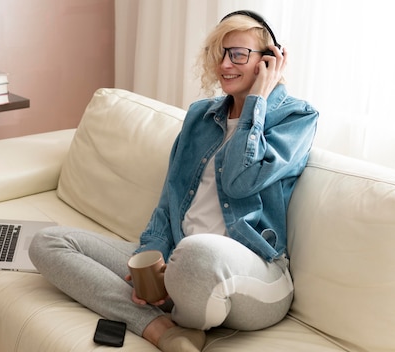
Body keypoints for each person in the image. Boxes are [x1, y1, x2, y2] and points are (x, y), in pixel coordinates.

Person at [29, 10, 319, 352]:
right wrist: (149, 263)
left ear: (269, 62)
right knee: (47, 242)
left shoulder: (297, 118)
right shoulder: (201, 116)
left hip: (255, 277)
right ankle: (160, 328)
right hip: (183, 262)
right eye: (220, 54)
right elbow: (170, 201)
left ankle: (178, 299)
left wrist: (257, 101)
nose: (225, 65)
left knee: (195, 251)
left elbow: (241, 182)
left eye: (238, 54)